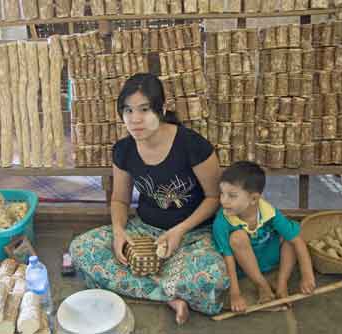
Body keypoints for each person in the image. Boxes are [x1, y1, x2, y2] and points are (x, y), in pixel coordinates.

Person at [70, 73, 228, 324]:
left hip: (192, 236)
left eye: (144, 110)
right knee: (81, 249)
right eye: (128, 110)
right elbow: (120, 200)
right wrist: (120, 231)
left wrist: (181, 230)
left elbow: (214, 197)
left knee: (211, 278)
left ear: (162, 109)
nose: (135, 119)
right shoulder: (124, 149)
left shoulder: (192, 145)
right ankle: (170, 294)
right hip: (142, 232)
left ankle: (150, 283)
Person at [212, 161, 316, 312]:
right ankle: (262, 286)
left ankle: (281, 284)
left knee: (290, 238)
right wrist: (235, 294)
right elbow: (228, 258)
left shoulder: (270, 212)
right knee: (237, 237)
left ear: (254, 199)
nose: (223, 201)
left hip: (273, 260)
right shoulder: (221, 222)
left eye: (232, 196)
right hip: (246, 268)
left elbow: (298, 241)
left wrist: (307, 276)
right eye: (222, 193)